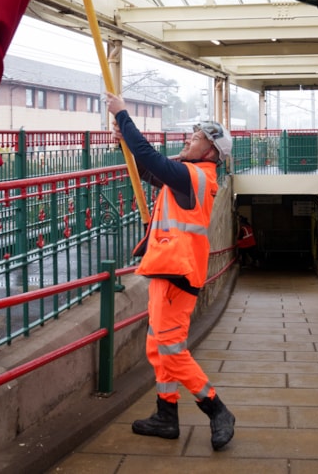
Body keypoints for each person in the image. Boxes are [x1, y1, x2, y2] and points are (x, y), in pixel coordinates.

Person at [105, 94, 237, 451]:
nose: (187, 141)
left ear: (210, 151)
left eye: (195, 138)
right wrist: (124, 141)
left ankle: (216, 409)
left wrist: (124, 115)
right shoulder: (189, 177)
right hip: (170, 269)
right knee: (158, 346)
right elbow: (147, 169)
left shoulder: (193, 176)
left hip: (176, 271)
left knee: (170, 346)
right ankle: (166, 415)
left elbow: (150, 158)